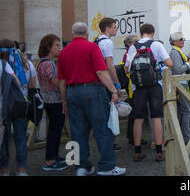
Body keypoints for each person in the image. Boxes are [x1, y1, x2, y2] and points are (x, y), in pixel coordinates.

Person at [58, 22, 126, 176]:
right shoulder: (91, 47)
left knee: (76, 131)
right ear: (87, 34)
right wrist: (113, 90)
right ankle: (107, 167)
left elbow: (62, 82)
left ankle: (80, 167)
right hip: (93, 90)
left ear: (72, 33)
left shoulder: (63, 52)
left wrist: (64, 101)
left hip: (71, 92)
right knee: (103, 129)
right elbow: (101, 72)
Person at [125, 24, 173, 162]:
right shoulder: (156, 45)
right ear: (153, 32)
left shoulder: (133, 47)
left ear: (141, 33)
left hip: (138, 87)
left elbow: (127, 69)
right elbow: (170, 63)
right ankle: (159, 151)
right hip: (154, 85)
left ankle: (137, 151)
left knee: (138, 119)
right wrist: (157, 66)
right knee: (156, 117)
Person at [37, 34, 68, 171]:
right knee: (55, 130)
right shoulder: (49, 63)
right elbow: (56, 82)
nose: (59, 48)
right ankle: (50, 160)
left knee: (54, 129)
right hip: (55, 100)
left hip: (48, 99)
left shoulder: (41, 62)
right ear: (48, 47)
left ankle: (53, 156)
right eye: (56, 45)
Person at [0, 39, 29, 176]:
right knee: (20, 137)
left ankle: (4, 170)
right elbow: (19, 82)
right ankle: (21, 169)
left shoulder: (3, 64)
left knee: (4, 140)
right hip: (18, 104)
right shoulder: (19, 63)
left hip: (3, 107)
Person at [95, 17, 122, 152]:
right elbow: (109, 66)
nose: (116, 29)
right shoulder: (107, 43)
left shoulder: (98, 41)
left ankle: (107, 143)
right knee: (110, 113)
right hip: (106, 83)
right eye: (114, 26)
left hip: (99, 82)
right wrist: (116, 85)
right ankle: (109, 144)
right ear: (107, 28)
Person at [169, 32, 190, 144]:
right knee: (186, 110)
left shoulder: (177, 51)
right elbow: (178, 70)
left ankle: (183, 135)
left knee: (182, 110)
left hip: (181, 83)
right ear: (174, 42)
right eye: (180, 39)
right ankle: (185, 137)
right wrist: (189, 63)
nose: (183, 41)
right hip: (180, 83)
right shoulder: (175, 52)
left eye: (183, 39)